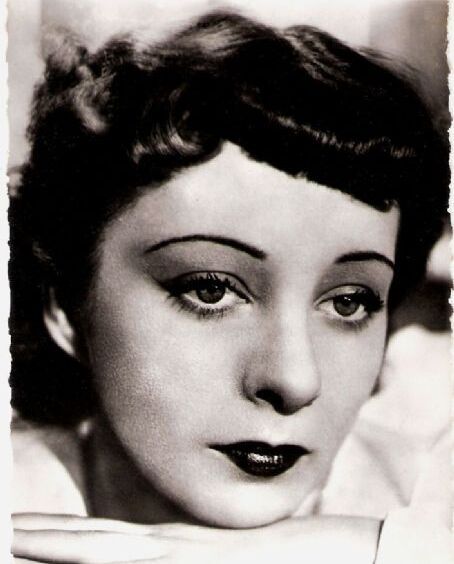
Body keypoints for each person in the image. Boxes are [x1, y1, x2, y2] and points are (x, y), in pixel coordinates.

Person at [10, 9, 451, 563]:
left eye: (348, 302)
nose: (294, 380)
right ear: (66, 306)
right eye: (211, 291)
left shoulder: (426, 505)